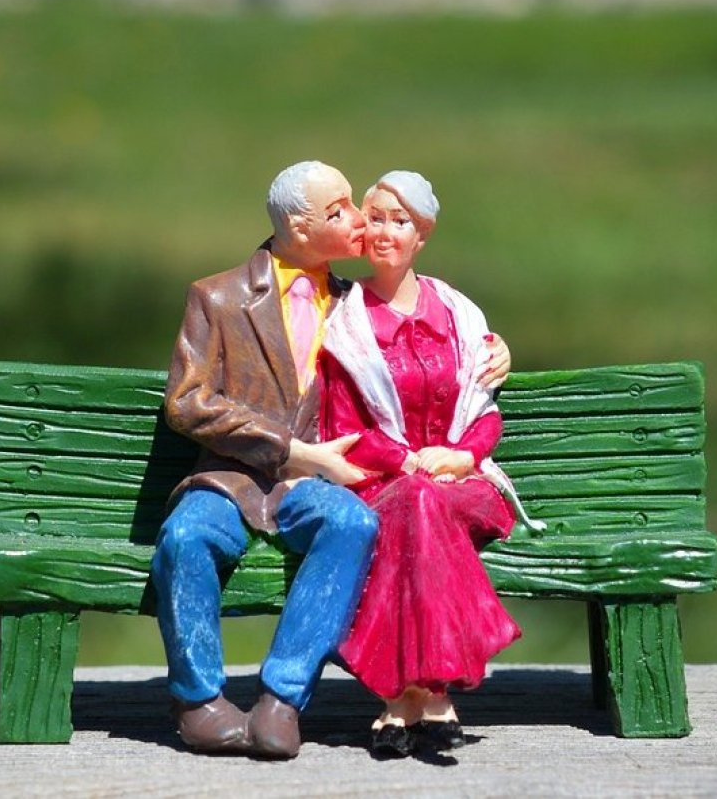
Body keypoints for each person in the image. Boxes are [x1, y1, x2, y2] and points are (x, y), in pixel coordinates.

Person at [154, 161, 512, 760]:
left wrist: (497, 350)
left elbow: (428, 334)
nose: (361, 224)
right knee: (186, 538)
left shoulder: (354, 305)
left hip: (315, 486)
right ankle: (200, 702)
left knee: (351, 525)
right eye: (340, 211)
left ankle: (283, 699)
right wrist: (291, 450)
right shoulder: (217, 297)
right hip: (233, 475)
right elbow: (187, 403)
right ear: (298, 227)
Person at [317, 170, 524, 758]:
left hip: (465, 486)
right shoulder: (347, 325)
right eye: (375, 217)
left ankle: (396, 699)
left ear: (422, 235)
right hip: (384, 485)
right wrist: (408, 460)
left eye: (399, 221)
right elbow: (344, 429)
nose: (384, 232)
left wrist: (462, 456)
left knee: (424, 505)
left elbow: (484, 410)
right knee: (414, 503)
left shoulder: (459, 314)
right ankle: (428, 695)